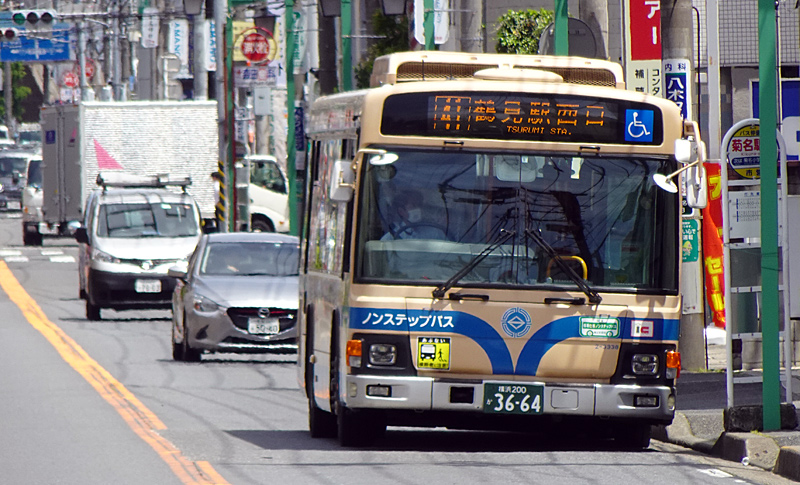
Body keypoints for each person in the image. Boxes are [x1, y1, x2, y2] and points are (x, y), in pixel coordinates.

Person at [381, 191, 447, 241]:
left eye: (420, 205)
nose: (419, 209)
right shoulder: (391, 238)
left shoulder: (435, 232)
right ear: (401, 211)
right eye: (414, 206)